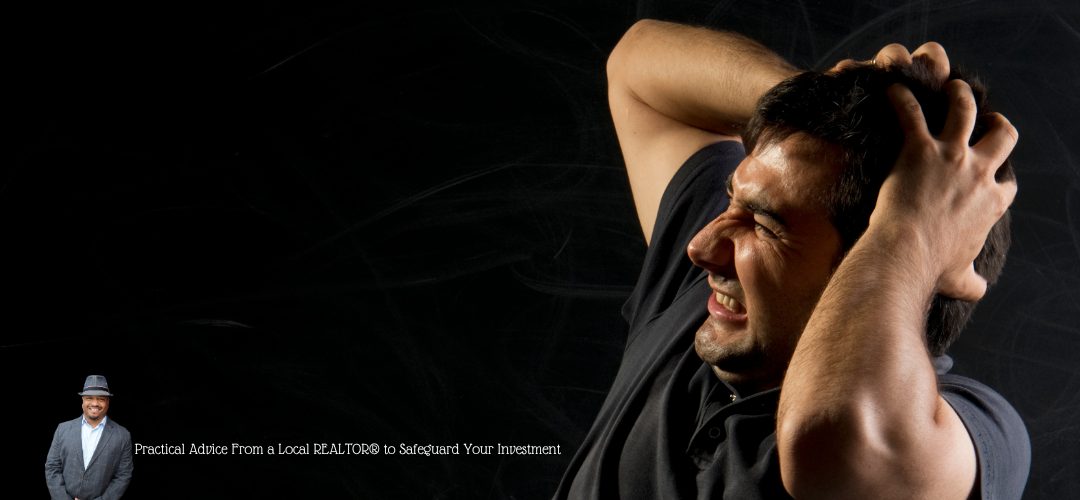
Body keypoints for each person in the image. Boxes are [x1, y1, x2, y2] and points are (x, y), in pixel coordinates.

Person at [555, 19, 1030, 499]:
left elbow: (830, 441)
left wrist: (912, 227)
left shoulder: (973, 430)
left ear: (883, 254)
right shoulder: (703, 304)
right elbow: (638, 67)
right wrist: (827, 100)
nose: (700, 249)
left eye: (764, 226)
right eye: (730, 202)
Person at [46, 375, 134, 500]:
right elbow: (52, 467)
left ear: (108, 402)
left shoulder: (122, 435)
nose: (95, 403)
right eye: (89, 398)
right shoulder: (62, 429)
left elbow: (123, 475)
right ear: (82, 400)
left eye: (101, 399)